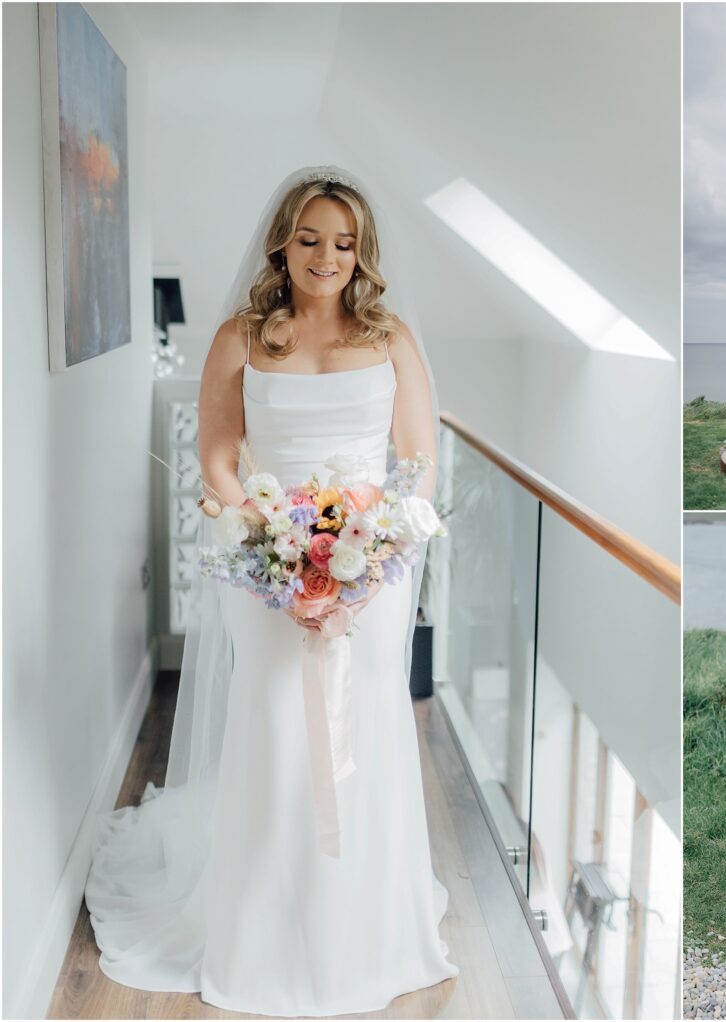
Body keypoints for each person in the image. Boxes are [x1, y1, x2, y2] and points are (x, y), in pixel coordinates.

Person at [84, 166, 459, 1016]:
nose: (327, 256)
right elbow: (218, 460)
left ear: (362, 253)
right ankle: (268, 925)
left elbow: (417, 460)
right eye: (311, 238)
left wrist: (374, 546)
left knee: (366, 729)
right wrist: (271, 546)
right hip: (265, 568)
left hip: (373, 569)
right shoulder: (242, 338)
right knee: (280, 730)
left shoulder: (392, 337)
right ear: (282, 242)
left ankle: (365, 919)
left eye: (344, 242)